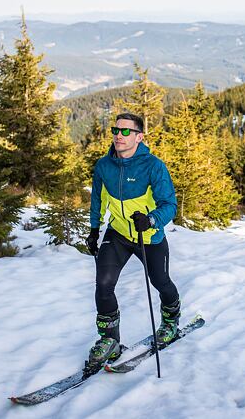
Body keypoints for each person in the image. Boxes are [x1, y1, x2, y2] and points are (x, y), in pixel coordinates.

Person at [84, 112, 181, 367]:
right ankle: (110, 341)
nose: (119, 135)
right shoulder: (104, 166)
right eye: (116, 130)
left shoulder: (153, 166)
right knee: (103, 284)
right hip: (117, 233)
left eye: (126, 131)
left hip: (148, 235)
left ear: (139, 136)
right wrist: (94, 229)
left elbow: (170, 205)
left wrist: (150, 220)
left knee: (161, 282)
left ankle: (171, 322)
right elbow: (97, 199)